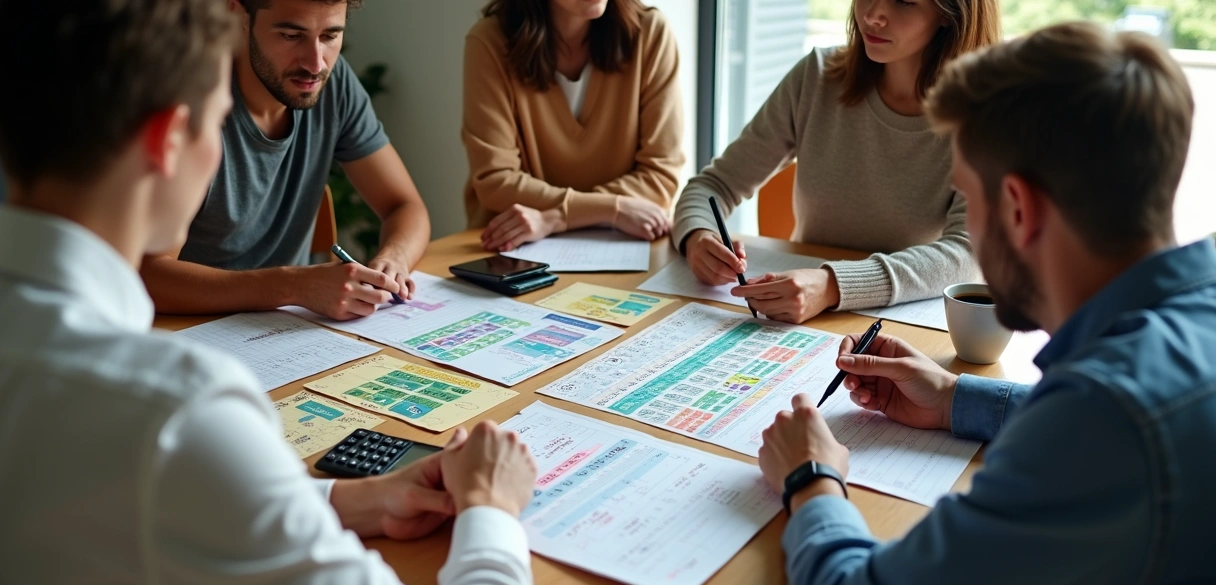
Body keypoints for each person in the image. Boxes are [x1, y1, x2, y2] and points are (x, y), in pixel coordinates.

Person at [0, 1, 544, 585]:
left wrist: (333, 500)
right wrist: (490, 510)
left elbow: (99, 507)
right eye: (212, 120)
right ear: (168, 140)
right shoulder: (175, 416)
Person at [758, 21, 1214, 585]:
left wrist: (810, 478)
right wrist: (954, 399)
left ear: (1020, 210)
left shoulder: (1108, 419)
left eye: (968, 199)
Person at [674, 0, 999, 324]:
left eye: (903, 2)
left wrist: (833, 285)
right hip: (794, 320)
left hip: (903, 327)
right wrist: (698, 237)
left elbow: (967, 255)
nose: (871, 16)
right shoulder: (816, 78)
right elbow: (712, 186)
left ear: (950, 14)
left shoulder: (985, 117)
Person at [140, 0, 432, 321]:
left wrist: (394, 259)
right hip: (190, 331)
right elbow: (147, 275)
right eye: (291, 36)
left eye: (330, 36)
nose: (315, 64)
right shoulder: (194, 99)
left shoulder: (334, 85)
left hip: (287, 331)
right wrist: (292, 286)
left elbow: (405, 206)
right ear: (237, 13)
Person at [464, 0, 684, 252]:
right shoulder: (490, 41)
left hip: (622, 246)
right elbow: (495, 181)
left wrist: (556, 218)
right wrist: (613, 209)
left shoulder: (650, 33)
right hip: (515, 247)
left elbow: (660, 176)